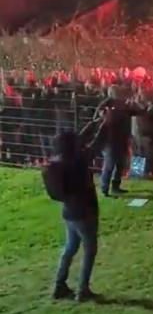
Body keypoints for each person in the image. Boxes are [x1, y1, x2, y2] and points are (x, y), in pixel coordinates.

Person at [50, 119, 103, 302]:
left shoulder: (59, 162)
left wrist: (94, 122)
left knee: (70, 248)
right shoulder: (78, 162)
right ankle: (83, 289)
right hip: (85, 212)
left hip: (69, 212)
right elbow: (95, 143)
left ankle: (59, 285)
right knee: (90, 249)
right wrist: (102, 124)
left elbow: (81, 138)